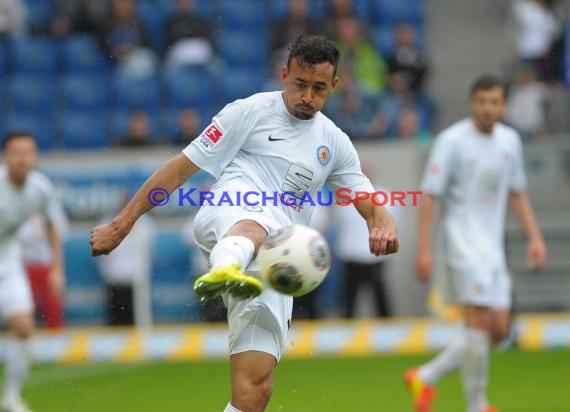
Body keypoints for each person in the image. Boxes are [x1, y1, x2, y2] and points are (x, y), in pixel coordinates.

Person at [91, 35, 399, 412]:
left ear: (334, 85)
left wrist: (381, 223)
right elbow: (179, 170)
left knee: (254, 393)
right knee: (257, 224)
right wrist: (122, 225)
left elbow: (368, 200)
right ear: (285, 75)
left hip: (270, 267)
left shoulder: (334, 142)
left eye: (319, 88)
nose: (307, 96)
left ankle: (232, 270)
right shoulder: (248, 112)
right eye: (300, 84)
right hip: (227, 214)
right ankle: (224, 268)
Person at [405, 75, 548, 412]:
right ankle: (477, 405)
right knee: (479, 322)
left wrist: (535, 237)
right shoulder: (451, 141)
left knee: (498, 331)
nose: (487, 108)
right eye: (481, 101)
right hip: (461, 243)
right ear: (472, 103)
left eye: (494, 102)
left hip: (492, 248)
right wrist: (423, 249)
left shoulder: (510, 141)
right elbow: (429, 196)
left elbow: (516, 192)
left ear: (504, 105)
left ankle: (425, 375)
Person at [0, 131, 65, 412]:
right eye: (16, 152)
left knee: (24, 327)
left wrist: (56, 268)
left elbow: (52, 223)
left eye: (27, 152)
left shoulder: (40, 187)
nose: (21, 158)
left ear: (35, 157)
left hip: (9, 260)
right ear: (6, 157)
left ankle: (11, 396)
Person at [17, 205, 69, 330]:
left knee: (53, 306)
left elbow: (60, 235)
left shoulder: (52, 209)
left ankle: (55, 340)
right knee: (23, 309)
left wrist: (58, 269)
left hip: (48, 264)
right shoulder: (21, 209)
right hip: (25, 265)